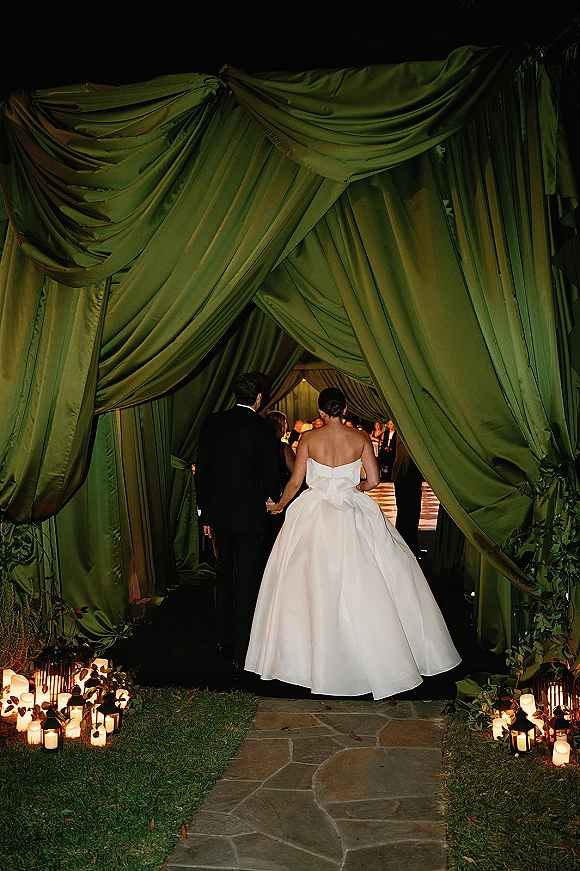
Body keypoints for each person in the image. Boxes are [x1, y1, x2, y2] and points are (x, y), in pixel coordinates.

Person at [245, 387, 461, 700]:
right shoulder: (359, 438)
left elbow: (296, 481)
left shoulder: (308, 439)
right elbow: (374, 480)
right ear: (344, 408)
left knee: (306, 584)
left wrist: (280, 505)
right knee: (371, 580)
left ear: (321, 412)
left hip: (314, 512)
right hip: (352, 509)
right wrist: (353, 487)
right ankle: (376, 657)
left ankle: (306, 660)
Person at [195, 372, 281, 677]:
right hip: (249, 517)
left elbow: (201, 471)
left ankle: (223, 642)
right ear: (258, 398)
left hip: (218, 515)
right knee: (246, 581)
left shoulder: (212, 423)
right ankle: (242, 652)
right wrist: (277, 499)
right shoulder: (262, 428)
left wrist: (204, 515)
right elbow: (271, 474)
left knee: (223, 577)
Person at [391, 432, 424, 557]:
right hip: (405, 473)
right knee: (406, 513)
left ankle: (412, 547)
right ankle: (406, 550)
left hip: (409, 474)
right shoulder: (405, 430)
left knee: (411, 512)